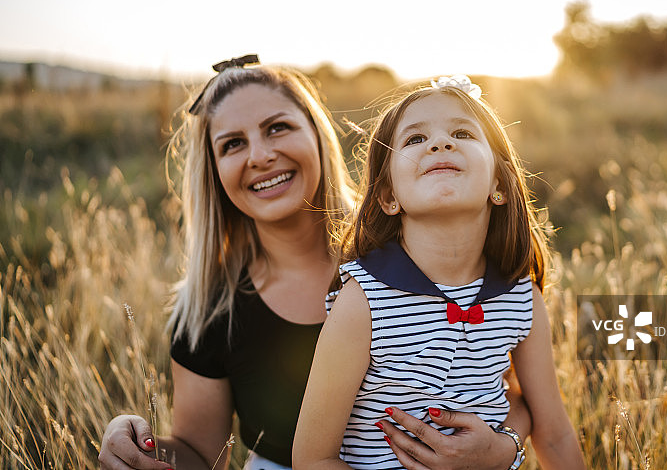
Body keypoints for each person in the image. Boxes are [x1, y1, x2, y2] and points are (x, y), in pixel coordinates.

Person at [98, 60, 532, 470]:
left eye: (278, 128)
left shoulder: (410, 250)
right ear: (213, 171)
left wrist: (502, 448)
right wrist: (134, 445)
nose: (260, 155)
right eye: (233, 144)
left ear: (317, 135)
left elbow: (498, 387)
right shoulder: (210, 310)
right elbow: (199, 451)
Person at [293, 76, 585, 469]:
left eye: (462, 133)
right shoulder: (365, 300)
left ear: (498, 183)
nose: (440, 143)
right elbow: (313, 459)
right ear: (389, 196)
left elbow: (555, 433)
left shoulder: (520, 297)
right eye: (415, 140)